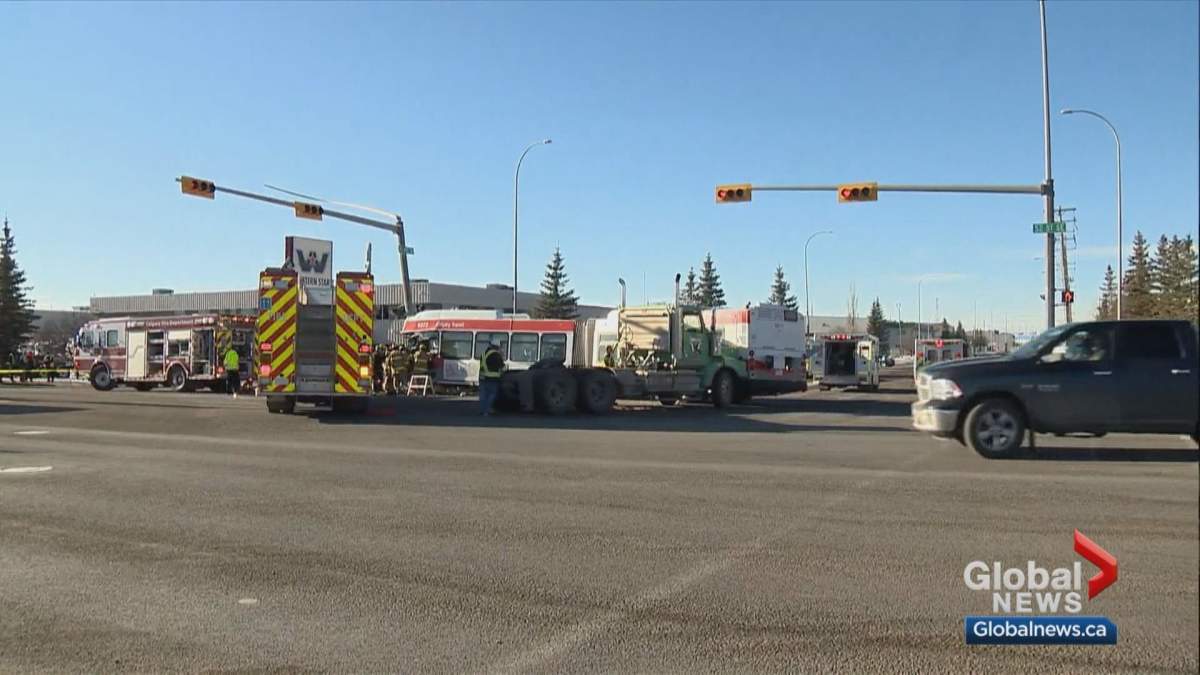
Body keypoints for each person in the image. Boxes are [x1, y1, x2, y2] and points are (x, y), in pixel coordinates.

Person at [478, 342, 505, 416]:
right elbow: (502, 367)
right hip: (492, 378)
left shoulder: (483, 354)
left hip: (482, 377)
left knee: (483, 395)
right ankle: (487, 410)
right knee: (492, 395)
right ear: (497, 347)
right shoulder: (496, 355)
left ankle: (483, 410)